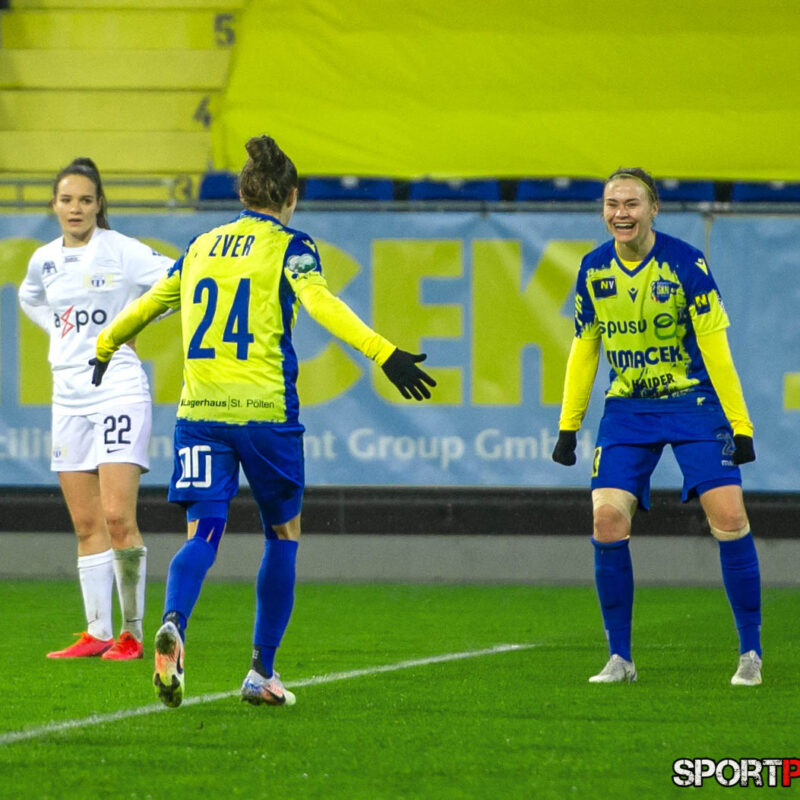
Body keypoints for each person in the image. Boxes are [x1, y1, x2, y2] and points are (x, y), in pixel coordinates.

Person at [91, 134, 436, 708]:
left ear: (243, 192)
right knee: (283, 534)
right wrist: (384, 353)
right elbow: (323, 303)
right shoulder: (292, 247)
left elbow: (151, 302)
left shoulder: (201, 244)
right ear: (291, 196)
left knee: (204, 532)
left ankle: (175, 621)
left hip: (199, 414)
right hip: (265, 414)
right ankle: (260, 672)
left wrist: (104, 345)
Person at [552, 167, 762, 686]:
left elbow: (716, 347)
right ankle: (620, 659)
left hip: (692, 403)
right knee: (606, 522)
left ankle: (750, 653)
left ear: (653, 209)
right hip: (627, 410)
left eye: (631, 204)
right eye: (611, 204)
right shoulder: (593, 269)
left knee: (730, 517)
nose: (620, 213)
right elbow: (584, 348)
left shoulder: (686, 263)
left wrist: (740, 424)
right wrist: (567, 425)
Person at [18, 158, 173, 660]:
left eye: (86, 200)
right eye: (67, 200)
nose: (76, 208)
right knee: (86, 524)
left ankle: (130, 633)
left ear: (99, 204)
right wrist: (57, 329)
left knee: (116, 517)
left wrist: (132, 323)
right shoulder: (43, 259)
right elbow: (29, 297)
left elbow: (175, 279)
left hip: (117, 388)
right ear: (54, 205)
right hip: (68, 396)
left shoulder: (120, 250)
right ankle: (96, 632)